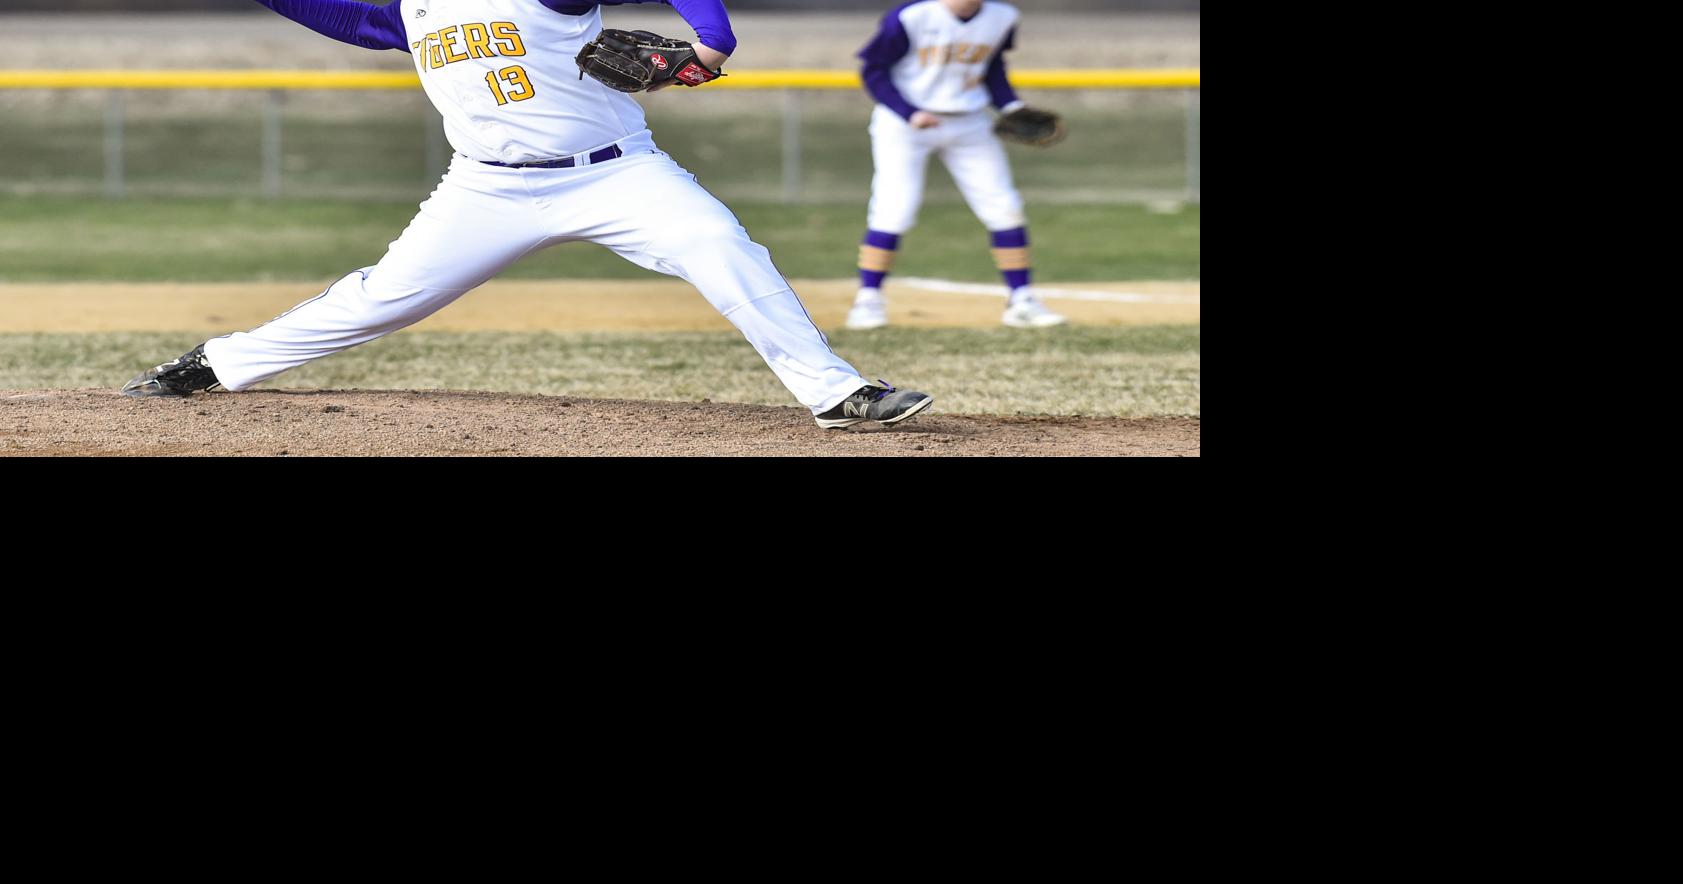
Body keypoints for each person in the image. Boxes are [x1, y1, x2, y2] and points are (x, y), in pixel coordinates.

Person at [122, 0, 933, 431]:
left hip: (617, 176)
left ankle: (838, 395)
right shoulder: (415, 10)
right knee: (382, 297)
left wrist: (711, 42)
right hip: (485, 189)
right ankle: (214, 366)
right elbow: (344, 17)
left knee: (723, 248)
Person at [847, 0, 1066, 330]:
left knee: (1004, 206)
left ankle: (1022, 300)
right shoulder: (911, 17)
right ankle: (868, 301)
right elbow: (873, 70)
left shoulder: (1002, 17)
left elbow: (990, 68)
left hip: (969, 122)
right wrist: (909, 112)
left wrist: (1011, 106)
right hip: (904, 124)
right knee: (894, 209)